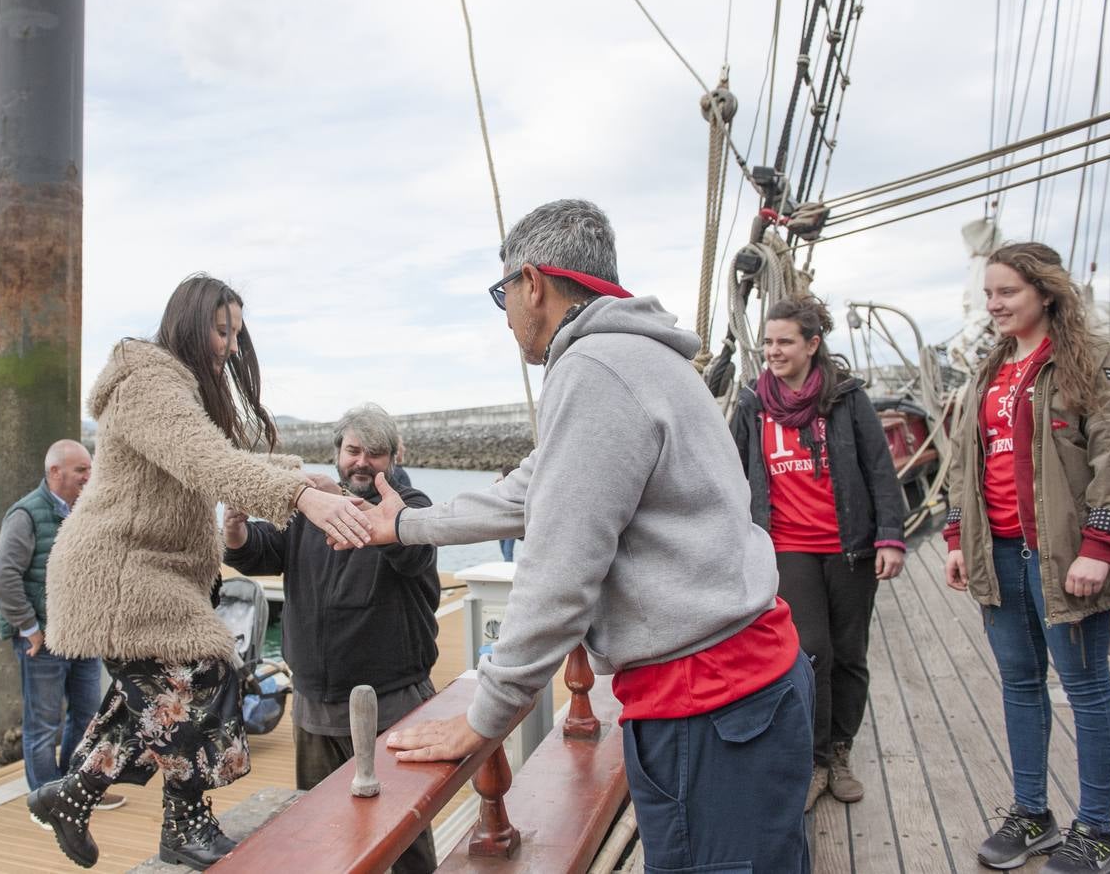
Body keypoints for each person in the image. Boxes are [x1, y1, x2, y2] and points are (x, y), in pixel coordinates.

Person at [361, 199, 815, 872]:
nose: (507, 314)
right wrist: (401, 523)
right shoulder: (644, 359)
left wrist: (484, 716)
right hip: (752, 689)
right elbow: (529, 491)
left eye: (503, 293)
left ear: (533, 283)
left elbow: (558, 575)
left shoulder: (593, 371)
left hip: (709, 711)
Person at [28, 274, 373, 871]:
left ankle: (72, 795)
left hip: (146, 574)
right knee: (200, 677)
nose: (231, 347)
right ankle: (183, 827)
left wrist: (301, 475)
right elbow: (206, 460)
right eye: (222, 331)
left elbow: (221, 457)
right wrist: (298, 495)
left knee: (156, 699)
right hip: (118, 576)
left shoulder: (178, 387)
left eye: (236, 334)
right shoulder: (147, 383)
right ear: (190, 323)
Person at [944, 242, 1110, 873]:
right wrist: (956, 536)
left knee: (1085, 687)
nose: (994, 305)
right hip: (996, 553)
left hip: (1061, 557)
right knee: (1021, 685)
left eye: (1008, 293)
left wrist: (1100, 547)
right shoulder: (991, 368)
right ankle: (1032, 813)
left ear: (1045, 292)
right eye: (989, 293)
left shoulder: (1094, 362)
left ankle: (1098, 829)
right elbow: (967, 458)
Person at [224, 402, 440, 874]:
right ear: (337, 452)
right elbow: (261, 550)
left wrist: (363, 510)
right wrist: (236, 531)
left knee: (404, 838)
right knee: (323, 835)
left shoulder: (412, 507)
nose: (362, 462)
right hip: (316, 708)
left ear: (394, 458)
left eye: (375, 453)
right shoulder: (311, 511)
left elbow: (416, 558)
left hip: (392, 704)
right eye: (353, 450)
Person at [730, 293, 906, 813]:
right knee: (810, 650)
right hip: (787, 546)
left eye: (784, 342)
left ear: (813, 344)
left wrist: (890, 536)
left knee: (850, 654)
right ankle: (814, 759)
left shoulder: (846, 399)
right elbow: (730, 475)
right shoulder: (752, 404)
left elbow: (879, 469)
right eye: (767, 342)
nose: (773, 351)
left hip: (849, 546)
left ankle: (840, 751)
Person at [0, 439, 123, 811]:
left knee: (88, 716)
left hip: (83, 636)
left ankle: (77, 789)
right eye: (81, 469)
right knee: (43, 724)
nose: (89, 476)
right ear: (55, 472)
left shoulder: (87, 512)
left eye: (90, 468)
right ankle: (48, 800)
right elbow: (2, 579)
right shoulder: (25, 515)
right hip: (43, 640)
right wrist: (29, 628)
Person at [495, 464, 517, 562]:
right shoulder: (502, 484)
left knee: (507, 551)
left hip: (508, 524)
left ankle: (508, 572)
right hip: (504, 524)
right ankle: (507, 569)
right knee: (505, 551)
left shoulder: (504, 485)